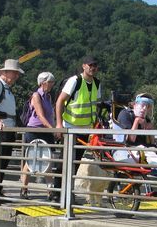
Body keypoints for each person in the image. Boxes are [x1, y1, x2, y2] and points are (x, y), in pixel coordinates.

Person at [53, 55, 102, 201]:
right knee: (65, 160)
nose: (93, 68)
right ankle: (57, 193)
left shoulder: (97, 83)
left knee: (75, 162)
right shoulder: (75, 81)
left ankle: (68, 193)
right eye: (90, 65)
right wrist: (59, 124)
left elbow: (96, 105)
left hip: (85, 128)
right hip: (70, 126)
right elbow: (60, 101)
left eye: (95, 66)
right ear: (84, 66)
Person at [0, 59, 24, 199]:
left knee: (3, 161)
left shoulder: (6, 87)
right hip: (2, 130)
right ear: (5, 72)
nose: (16, 76)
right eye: (14, 73)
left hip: (8, 129)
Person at [20, 71, 56, 199]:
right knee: (30, 160)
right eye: (50, 82)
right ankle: (24, 190)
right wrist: (53, 129)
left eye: (52, 82)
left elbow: (50, 115)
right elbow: (40, 116)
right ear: (42, 83)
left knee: (48, 159)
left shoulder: (48, 96)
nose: (52, 84)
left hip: (46, 131)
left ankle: (50, 191)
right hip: (34, 130)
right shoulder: (36, 95)